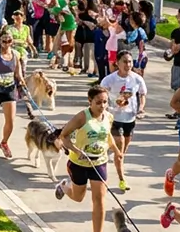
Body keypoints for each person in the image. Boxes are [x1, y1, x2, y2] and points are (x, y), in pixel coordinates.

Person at [55, 86, 122, 232]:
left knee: (99, 200)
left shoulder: (108, 117)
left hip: (99, 162)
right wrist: (76, 150)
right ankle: (64, 187)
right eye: (98, 102)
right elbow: (63, 136)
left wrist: (116, 151)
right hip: (79, 163)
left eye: (105, 102)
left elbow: (106, 135)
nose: (102, 106)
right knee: (78, 197)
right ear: (90, 101)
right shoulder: (82, 117)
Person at [100, 52, 146, 192]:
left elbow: (142, 95)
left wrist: (141, 109)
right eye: (125, 62)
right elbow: (101, 95)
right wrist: (108, 106)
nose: (128, 65)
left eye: (130, 62)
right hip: (114, 118)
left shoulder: (137, 79)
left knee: (122, 152)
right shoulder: (109, 80)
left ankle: (106, 154)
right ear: (117, 63)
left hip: (130, 119)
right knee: (119, 150)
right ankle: (121, 179)